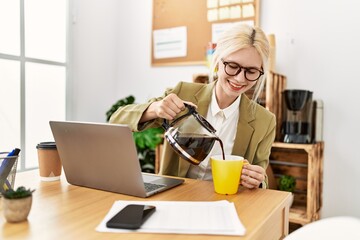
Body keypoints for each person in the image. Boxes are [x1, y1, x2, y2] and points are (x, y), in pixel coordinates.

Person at [110, 23, 275, 189]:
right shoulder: (183, 93)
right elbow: (117, 119)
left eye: (251, 71)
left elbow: (261, 175)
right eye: (232, 66)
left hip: (227, 203)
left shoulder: (265, 121)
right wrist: (156, 108)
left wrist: (258, 179)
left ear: (260, 72)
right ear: (218, 61)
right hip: (176, 198)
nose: (240, 79)